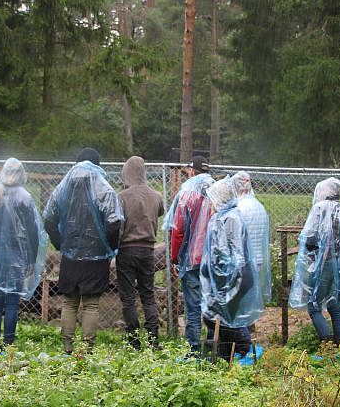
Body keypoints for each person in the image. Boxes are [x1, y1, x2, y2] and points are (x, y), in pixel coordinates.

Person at [43, 148, 123, 354]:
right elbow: (114, 222)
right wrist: (110, 247)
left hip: (70, 255)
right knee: (91, 304)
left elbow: (48, 219)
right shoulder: (103, 188)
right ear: (98, 165)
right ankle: (88, 348)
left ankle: (67, 347)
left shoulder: (63, 188)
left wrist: (60, 244)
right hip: (96, 255)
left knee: (69, 302)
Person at [0, 158, 47, 355]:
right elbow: (33, 231)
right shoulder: (25, 197)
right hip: (18, 254)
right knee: (13, 302)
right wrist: (32, 258)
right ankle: (8, 344)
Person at [288, 177, 340, 347]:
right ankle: (339, 346)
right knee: (334, 305)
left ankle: (327, 346)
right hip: (339, 265)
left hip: (322, 264)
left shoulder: (319, 209)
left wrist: (312, 255)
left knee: (314, 306)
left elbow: (309, 237)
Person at [199, 178, 265, 361]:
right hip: (230, 277)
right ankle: (224, 358)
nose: (209, 203)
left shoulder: (228, 218)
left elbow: (228, 255)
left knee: (218, 317)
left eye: (212, 199)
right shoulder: (225, 216)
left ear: (219, 199)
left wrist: (218, 276)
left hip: (235, 278)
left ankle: (242, 346)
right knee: (220, 317)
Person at [163, 155, 214, 355]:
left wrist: (176, 259)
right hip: (213, 260)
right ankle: (212, 348)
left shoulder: (186, 194)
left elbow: (178, 231)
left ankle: (193, 350)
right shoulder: (218, 192)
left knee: (193, 308)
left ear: (191, 171)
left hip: (192, 261)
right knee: (212, 305)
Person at [116, 156, 165, 350]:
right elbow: (160, 212)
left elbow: (118, 225)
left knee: (128, 297)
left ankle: (134, 340)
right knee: (148, 295)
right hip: (148, 250)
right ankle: (153, 340)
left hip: (126, 250)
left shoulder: (122, 197)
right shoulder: (156, 196)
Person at [231, 171, 272, 321]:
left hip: (244, 261)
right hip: (258, 260)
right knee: (249, 299)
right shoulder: (259, 206)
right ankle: (249, 328)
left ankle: (243, 330)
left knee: (240, 304)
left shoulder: (239, 207)